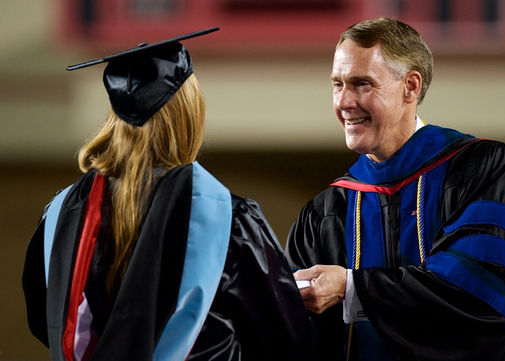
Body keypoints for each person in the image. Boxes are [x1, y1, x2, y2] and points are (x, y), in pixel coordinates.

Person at [22, 28, 313, 361]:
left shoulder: (60, 215)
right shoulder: (227, 219)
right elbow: (286, 339)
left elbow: (44, 320)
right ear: (189, 116)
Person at [286, 18, 505, 361]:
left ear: (410, 87)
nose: (344, 102)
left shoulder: (486, 172)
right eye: (337, 84)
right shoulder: (328, 213)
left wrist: (351, 287)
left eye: (361, 84)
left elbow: (485, 305)